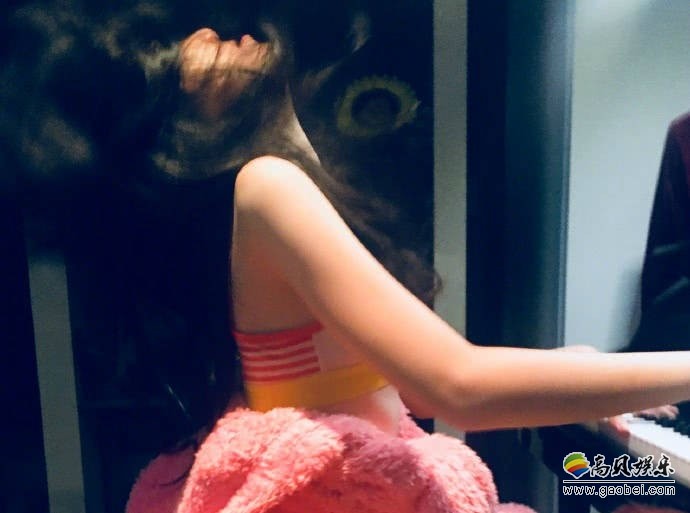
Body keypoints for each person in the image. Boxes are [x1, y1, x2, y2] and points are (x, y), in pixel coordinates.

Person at [125, 22, 690, 513]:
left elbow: (410, 385)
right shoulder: (267, 183)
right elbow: (452, 385)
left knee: (620, 480)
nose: (210, 34)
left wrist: (582, 375)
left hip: (356, 488)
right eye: (172, 56)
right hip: (344, 497)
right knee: (622, 482)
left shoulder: (286, 179)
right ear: (179, 120)